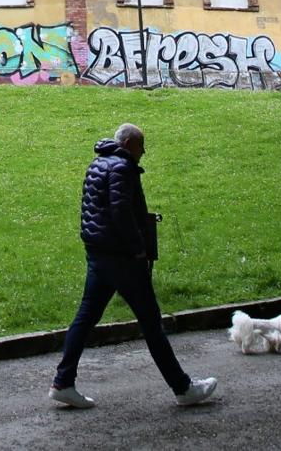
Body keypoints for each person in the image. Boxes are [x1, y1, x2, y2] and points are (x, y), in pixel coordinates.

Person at [48, 123, 218, 409]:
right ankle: (183, 388)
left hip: (98, 253)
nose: (144, 152)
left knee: (85, 317)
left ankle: (63, 382)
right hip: (122, 257)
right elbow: (120, 212)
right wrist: (138, 248)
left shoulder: (98, 163)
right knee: (151, 323)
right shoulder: (123, 169)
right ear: (128, 144)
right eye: (141, 145)